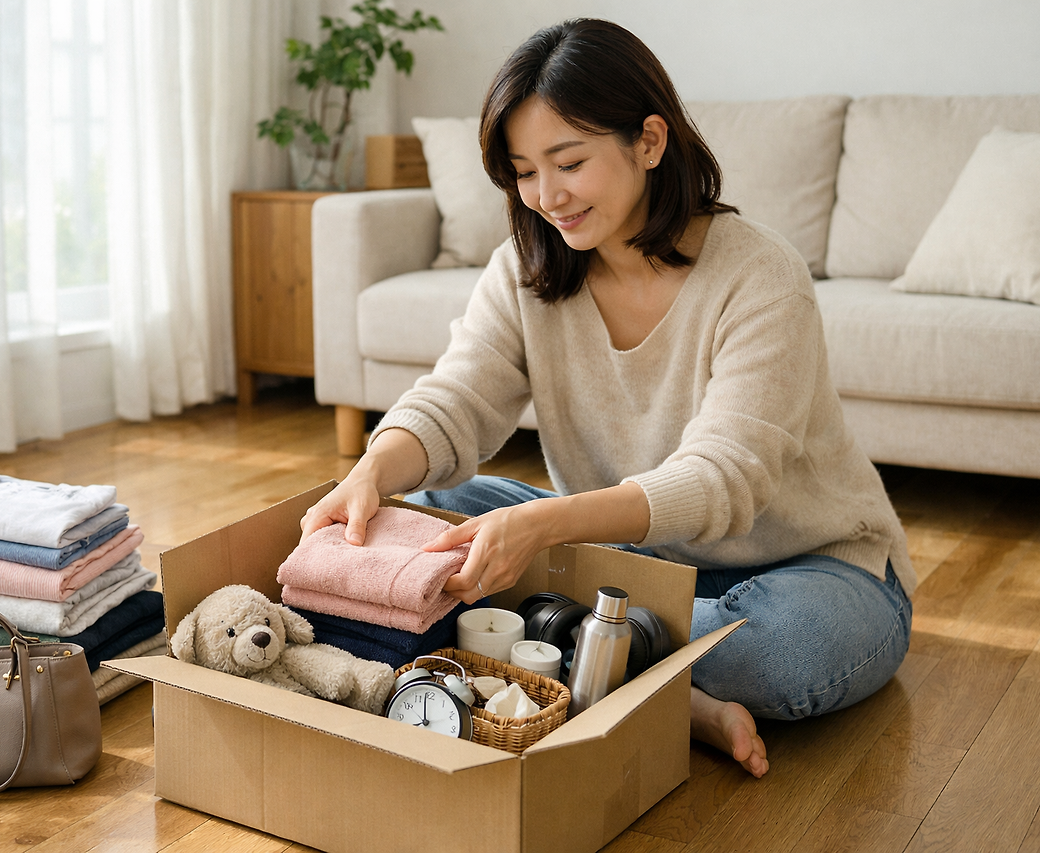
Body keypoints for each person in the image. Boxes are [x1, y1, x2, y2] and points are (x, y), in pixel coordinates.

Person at [299, 18, 914, 778]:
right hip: (630, 559)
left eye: (569, 161)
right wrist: (369, 471)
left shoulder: (761, 277)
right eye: (524, 170)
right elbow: (456, 396)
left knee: (783, 651)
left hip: (809, 566)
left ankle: (576, 657)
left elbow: (724, 479)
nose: (546, 195)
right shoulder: (527, 267)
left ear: (649, 141)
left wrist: (543, 524)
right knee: (433, 501)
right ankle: (643, 678)